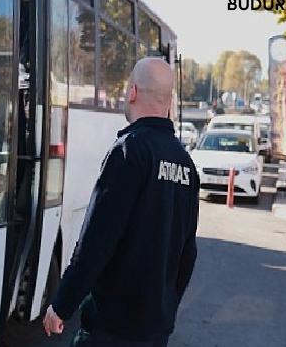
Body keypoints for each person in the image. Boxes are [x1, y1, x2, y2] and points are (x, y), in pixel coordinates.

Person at [43, 58, 199, 347]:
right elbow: (187, 253)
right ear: (168, 100)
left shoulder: (129, 151)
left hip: (112, 330)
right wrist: (165, 313)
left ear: (133, 93)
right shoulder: (185, 163)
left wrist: (62, 304)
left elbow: (96, 242)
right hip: (154, 332)